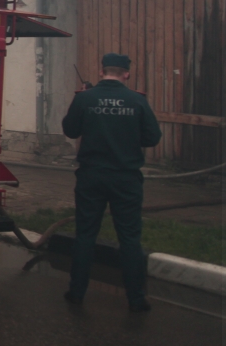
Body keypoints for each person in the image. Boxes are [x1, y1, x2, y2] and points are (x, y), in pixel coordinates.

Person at [61, 52, 162, 313]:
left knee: (85, 235)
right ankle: (136, 299)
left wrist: (82, 99)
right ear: (126, 74)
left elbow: (71, 130)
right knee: (129, 238)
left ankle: (76, 292)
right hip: (126, 178)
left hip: (91, 176)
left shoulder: (85, 98)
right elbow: (152, 137)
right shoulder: (137, 101)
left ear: (101, 70)